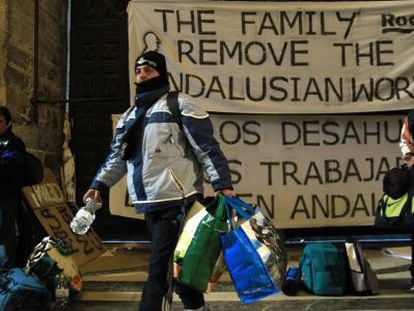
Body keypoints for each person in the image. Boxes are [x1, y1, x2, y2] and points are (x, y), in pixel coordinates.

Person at [83, 50, 233, 311]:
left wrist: (222, 185)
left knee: (160, 268)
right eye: (138, 71)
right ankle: (196, 306)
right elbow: (117, 158)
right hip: (149, 203)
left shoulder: (179, 104)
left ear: (161, 73)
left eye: (148, 70)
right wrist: (100, 184)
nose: (142, 75)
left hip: (179, 200)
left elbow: (206, 147)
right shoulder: (130, 116)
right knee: (179, 266)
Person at [0, 106, 26, 269]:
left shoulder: (14, 143)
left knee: (4, 237)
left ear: (8, 123)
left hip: (6, 197)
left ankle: (6, 274)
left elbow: (10, 166)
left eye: (0, 122)